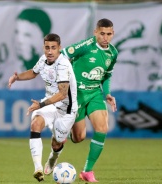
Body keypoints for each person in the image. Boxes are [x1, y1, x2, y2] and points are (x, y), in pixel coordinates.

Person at [8, 33, 78, 182]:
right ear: (43, 47)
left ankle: (53, 157)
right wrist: (17, 77)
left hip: (66, 110)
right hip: (50, 103)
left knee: (57, 141)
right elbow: (33, 73)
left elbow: (63, 94)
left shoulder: (63, 64)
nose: (50, 51)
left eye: (53, 48)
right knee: (35, 124)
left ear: (59, 48)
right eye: (47, 48)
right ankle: (38, 168)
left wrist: (40, 104)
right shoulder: (44, 60)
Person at [60, 18, 118, 182]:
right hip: (76, 94)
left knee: (102, 128)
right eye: (102, 33)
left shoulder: (113, 53)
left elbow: (107, 75)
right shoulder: (86, 46)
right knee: (79, 138)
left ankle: (87, 171)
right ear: (95, 32)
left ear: (113, 34)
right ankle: (64, 130)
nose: (105, 37)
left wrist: (107, 93)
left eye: (108, 34)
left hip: (95, 94)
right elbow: (62, 55)